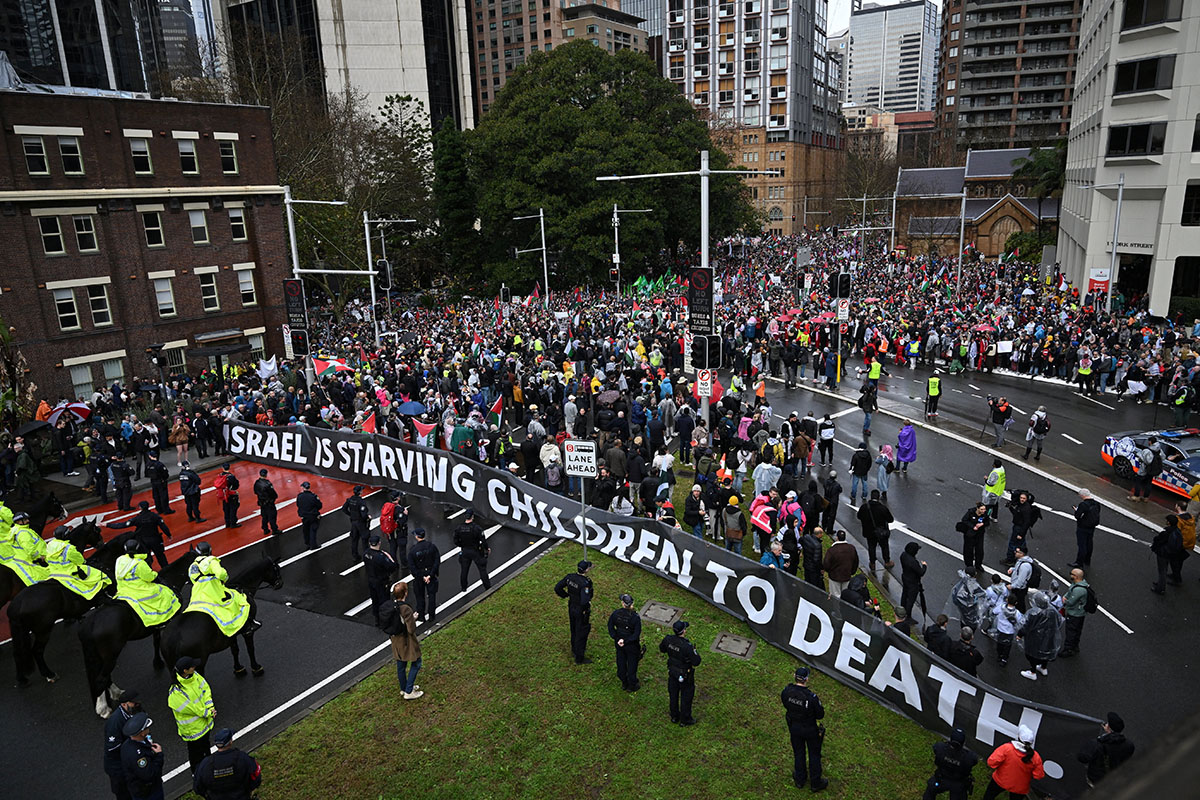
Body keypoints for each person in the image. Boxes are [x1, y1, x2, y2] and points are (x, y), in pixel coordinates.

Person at [113, 539, 181, 628]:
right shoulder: (139, 563)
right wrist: (155, 574)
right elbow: (149, 577)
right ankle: (163, 620)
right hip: (139, 590)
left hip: (123, 589)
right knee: (163, 592)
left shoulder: (120, 560)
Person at [781, 666, 828, 791]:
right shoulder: (811, 697)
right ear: (806, 679)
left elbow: (785, 703)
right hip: (810, 729)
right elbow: (820, 715)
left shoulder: (786, 691)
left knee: (799, 753)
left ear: (794, 676)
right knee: (814, 755)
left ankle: (800, 780)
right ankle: (815, 783)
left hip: (794, 727)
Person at [168, 656, 215, 775]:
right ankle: (197, 774)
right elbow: (190, 708)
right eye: (192, 666)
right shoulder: (176, 691)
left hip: (204, 724)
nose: (194, 667)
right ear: (185, 671)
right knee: (195, 754)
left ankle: (208, 770)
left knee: (206, 749)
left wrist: (210, 707)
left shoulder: (195, 676)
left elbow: (205, 690)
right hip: (193, 730)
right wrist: (208, 713)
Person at [379, 581, 423, 699]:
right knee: (416, 662)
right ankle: (409, 691)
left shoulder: (391, 606)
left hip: (395, 640)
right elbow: (411, 629)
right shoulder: (405, 608)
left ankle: (404, 688)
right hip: (406, 641)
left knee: (401, 665)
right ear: (405, 593)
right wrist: (413, 618)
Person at [193, 727, 262, 799]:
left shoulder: (205, 764)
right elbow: (256, 775)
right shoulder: (242, 758)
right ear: (230, 741)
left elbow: (198, 787)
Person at [982, 725, 1044, 800]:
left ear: (1019, 737)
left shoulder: (1007, 748)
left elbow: (991, 762)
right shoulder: (1036, 757)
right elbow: (1038, 775)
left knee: (989, 796)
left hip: (1001, 781)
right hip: (1020, 788)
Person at [107, 501, 173, 570]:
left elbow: (123, 525)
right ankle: (167, 570)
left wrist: (108, 525)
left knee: (146, 558)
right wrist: (168, 534)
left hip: (143, 542)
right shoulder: (155, 516)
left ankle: (148, 571)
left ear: (140, 508)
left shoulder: (137, 518)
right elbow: (163, 526)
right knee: (161, 556)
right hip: (155, 540)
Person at [659, 619, 701, 725]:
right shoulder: (687, 646)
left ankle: (674, 716)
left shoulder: (668, 640)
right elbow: (696, 661)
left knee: (673, 695)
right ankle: (685, 719)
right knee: (686, 696)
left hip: (672, 672)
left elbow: (662, 649)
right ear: (684, 631)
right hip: (684, 674)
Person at [1077, 712, 1135, 788]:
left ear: (1108, 727)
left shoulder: (1096, 744)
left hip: (1096, 778)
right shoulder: (1129, 745)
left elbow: (1082, 758)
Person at [104, 689, 143, 800]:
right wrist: (132, 746)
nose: (137, 705)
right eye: (134, 703)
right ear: (124, 704)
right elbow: (112, 748)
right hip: (118, 768)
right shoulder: (115, 722)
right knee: (124, 794)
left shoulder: (136, 711)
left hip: (131, 763)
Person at [1018, 591, 1064, 682]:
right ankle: (1043, 668)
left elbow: (1027, 626)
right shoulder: (1053, 611)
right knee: (1045, 652)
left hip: (1035, 638)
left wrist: (1020, 634)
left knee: (1032, 655)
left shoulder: (1034, 613)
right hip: (1049, 637)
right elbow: (1059, 621)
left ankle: (1032, 672)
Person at [555, 559, 594, 664]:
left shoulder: (570, 577)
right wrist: (586, 607)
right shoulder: (585, 583)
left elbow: (557, 588)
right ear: (586, 570)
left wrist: (566, 595)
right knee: (581, 631)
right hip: (581, 610)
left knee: (573, 628)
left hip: (572, 605)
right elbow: (584, 600)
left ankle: (574, 648)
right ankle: (579, 657)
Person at [922, 728, 979, 800]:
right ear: (964, 743)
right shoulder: (969, 757)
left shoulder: (940, 748)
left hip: (941, 778)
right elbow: (975, 760)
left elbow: (936, 748)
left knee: (930, 792)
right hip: (958, 783)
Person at [119, 712, 164, 800]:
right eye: (147, 727)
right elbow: (150, 775)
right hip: (148, 792)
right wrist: (159, 755)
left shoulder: (126, 745)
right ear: (142, 733)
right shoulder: (138, 756)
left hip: (138, 789)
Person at [2, 511, 49, 587]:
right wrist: (40, 557)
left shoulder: (18, 530)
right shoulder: (23, 533)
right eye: (25, 519)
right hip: (40, 559)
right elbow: (29, 548)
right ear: (19, 522)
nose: (28, 521)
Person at [607, 592, 642, 691]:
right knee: (632, 665)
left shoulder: (616, 614)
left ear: (623, 603)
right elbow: (636, 634)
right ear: (632, 604)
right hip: (631, 645)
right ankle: (632, 684)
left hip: (619, 644)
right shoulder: (635, 617)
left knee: (621, 663)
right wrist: (626, 641)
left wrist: (617, 638)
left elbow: (610, 627)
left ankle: (624, 682)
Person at [453, 508, 491, 592]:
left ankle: (463, 587)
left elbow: (455, 541)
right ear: (472, 517)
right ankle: (487, 587)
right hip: (476, 550)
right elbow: (483, 540)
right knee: (482, 569)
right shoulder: (476, 528)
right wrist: (486, 548)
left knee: (464, 570)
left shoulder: (459, 528)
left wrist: (462, 545)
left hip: (465, 551)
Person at [363, 535, 398, 627]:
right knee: (384, 601)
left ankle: (377, 620)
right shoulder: (381, 557)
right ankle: (385, 621)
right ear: (379, 543)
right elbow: (393, 567)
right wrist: (390, 557)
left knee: (375, 600)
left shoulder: (366, 553)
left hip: (371, 580)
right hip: (382, 582)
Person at [856, 489, 894, 570]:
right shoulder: (882, 508)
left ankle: (872, 563)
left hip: (869, 531)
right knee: (884, 546)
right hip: (881, 532)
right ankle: (887, 561)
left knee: (871, 547)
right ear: (878, 497)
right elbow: (890, 519)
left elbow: (859, 516)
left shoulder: (864, 507)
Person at [408, 528, 441, 623]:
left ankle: (421, 615)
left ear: (416, 536)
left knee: (419, 597)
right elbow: (437, 561)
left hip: (419, 576)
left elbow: (412, 566)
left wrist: (421, 576)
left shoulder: (413, 550)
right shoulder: (432, 547)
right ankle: (431, 616)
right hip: (431, 574)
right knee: (432, 596)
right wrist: (430, 575)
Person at [1058, 568, 1090, 657]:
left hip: (1074, 614)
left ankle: (1068, 649)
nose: (1070, 575)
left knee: (1071, 632)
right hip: (1080, 613)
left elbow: (1071, 602)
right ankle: (1075, 646)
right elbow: (1069, 592)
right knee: (1077, 631)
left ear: (1076, 576)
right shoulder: (1080, 584)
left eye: (1071, 574)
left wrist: (1064, 600)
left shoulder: (1078, 590)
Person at [1003, 491, 1041, 566]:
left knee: (1012, 544)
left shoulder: (1025, 509)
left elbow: (1026, 522)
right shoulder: (1022, 506)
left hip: (1019, 528)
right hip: (1019, 527)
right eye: (1021, 498)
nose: (1022, 499)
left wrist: (1021, 533)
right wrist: (1010, 508)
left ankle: (1010, 559)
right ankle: (1021, 556)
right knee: (1020, 544)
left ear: (1026, 499)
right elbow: (1016, 514)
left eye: (1024, 498)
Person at [954, 503, 989, 574]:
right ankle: (969, 565)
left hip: (979, 535)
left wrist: (982, 524)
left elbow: (987, 522)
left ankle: (978, 565)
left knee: (979, 551)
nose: (983, 511)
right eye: (982, 509)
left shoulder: (984, 514)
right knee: (968, 550)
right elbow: (964, 520)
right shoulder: (970, 512)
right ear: (977, 509)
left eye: (984, 509)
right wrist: (973, 526)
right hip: (970, 535)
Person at [822, 530, 859, 598]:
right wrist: (852, 572)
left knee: (835, 596)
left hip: (834, 577)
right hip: (847, 576)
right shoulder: (851, 548)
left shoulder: (832, 550)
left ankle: (836, 605)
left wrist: (829, 571)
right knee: (846, 596)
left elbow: (826, 563)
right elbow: (856, 562)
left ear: (837, 538)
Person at [1071, 489, 1101, 568]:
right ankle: (1087, 560)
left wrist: (1076, 511)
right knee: (1089, 543)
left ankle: (1079, 562)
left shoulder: (1083, 505)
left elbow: (1077, 516)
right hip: (1092, 527)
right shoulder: (1096, 504)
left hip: (1083, 526)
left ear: (1082, 495)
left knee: (1082, 545)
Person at [342, 485, 371, 563]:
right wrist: (367, 517)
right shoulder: (361, 502)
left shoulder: (350, 500)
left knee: (354, 540)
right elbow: (363, 514)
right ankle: (366, 556)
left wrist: (351, 514)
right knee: (364, 540)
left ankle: (355, 556)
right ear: (360, 492)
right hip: (361, 523)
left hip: (353, 522)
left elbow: (344, 509)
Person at [899, 541, 928, 621]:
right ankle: (908, 616)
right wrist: (924, 566)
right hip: (913, 582)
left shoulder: (903, 555)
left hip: (905, 578)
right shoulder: (913, 562)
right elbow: (921, 572)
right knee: (911, 600)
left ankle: (902, 611)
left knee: (904, 595)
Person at [253, 469, 282, 536]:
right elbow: (272, 493)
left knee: (264, 516)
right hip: (269, 502)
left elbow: (255, 492)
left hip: (262, 502)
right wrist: (274, 497)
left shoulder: (257, 483)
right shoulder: (267, 484)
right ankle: (274, 529)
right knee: (272, 516)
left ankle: (265, 529)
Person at [1007, 545, 1035, 611]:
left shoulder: (1024, 566)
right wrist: (1012, 569)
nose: (1015, 552)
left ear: (1022, 554)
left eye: (1017, 552)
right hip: (1018, 587)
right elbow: (1018, 569)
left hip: (1019, 589)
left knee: (1019, 604)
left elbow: (1021, 581)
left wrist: (1012, 586)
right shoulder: (1021, 561)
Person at [297, 481, 323, 549]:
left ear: (303, 488)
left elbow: (298, 505)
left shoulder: (300, 496)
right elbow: (319, 505)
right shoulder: (313, 496)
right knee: (313, 530)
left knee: (306, 530)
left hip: (304, 516)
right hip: (313, 515)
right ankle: (313, 545)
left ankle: (307, 543)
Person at [214, 463, 241, 529]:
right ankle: (233, 523)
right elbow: (236, 485)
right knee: (233, 509)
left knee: (226, 509)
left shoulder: (220, 475)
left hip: (224, 495)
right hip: (231, 494)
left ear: (222, 468)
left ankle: (227, 523)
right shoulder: (231, 476)